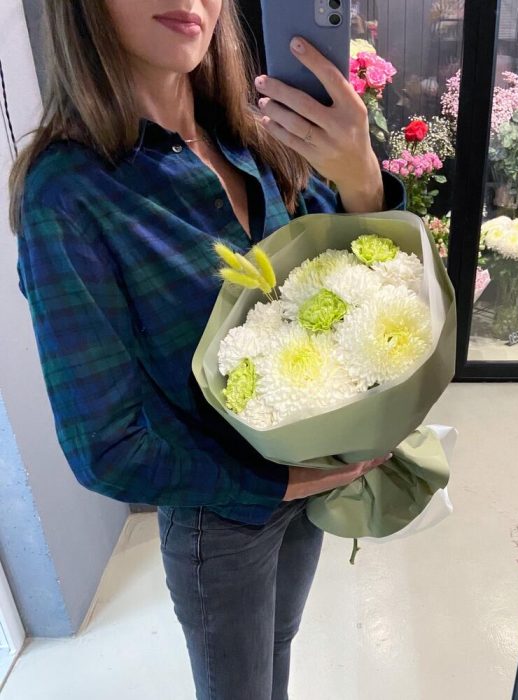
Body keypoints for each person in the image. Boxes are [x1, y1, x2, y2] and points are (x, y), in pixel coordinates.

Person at [9, 2, 405, 698]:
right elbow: (106, 447)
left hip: (312, 475)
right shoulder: (70, 196)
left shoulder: (254, 135)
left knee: (278, 646)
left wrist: (360, 175)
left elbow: (351, 282)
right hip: (220, 516)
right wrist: (281, 483)